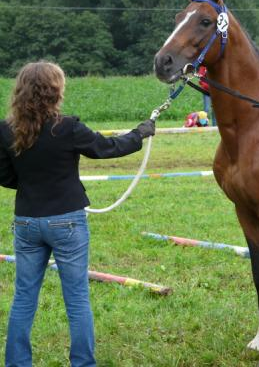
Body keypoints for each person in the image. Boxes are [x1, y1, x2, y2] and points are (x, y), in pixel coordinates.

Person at [0, 61, 155, 367]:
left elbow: (3, 174)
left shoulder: (5, 129)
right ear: (54, 91)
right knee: (77, 299)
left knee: (23, 298)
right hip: (67, 221)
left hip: (27, 221)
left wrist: (32, 185)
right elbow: (107, 148)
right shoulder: (67, 127)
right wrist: (140, 133)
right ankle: (83, 364)